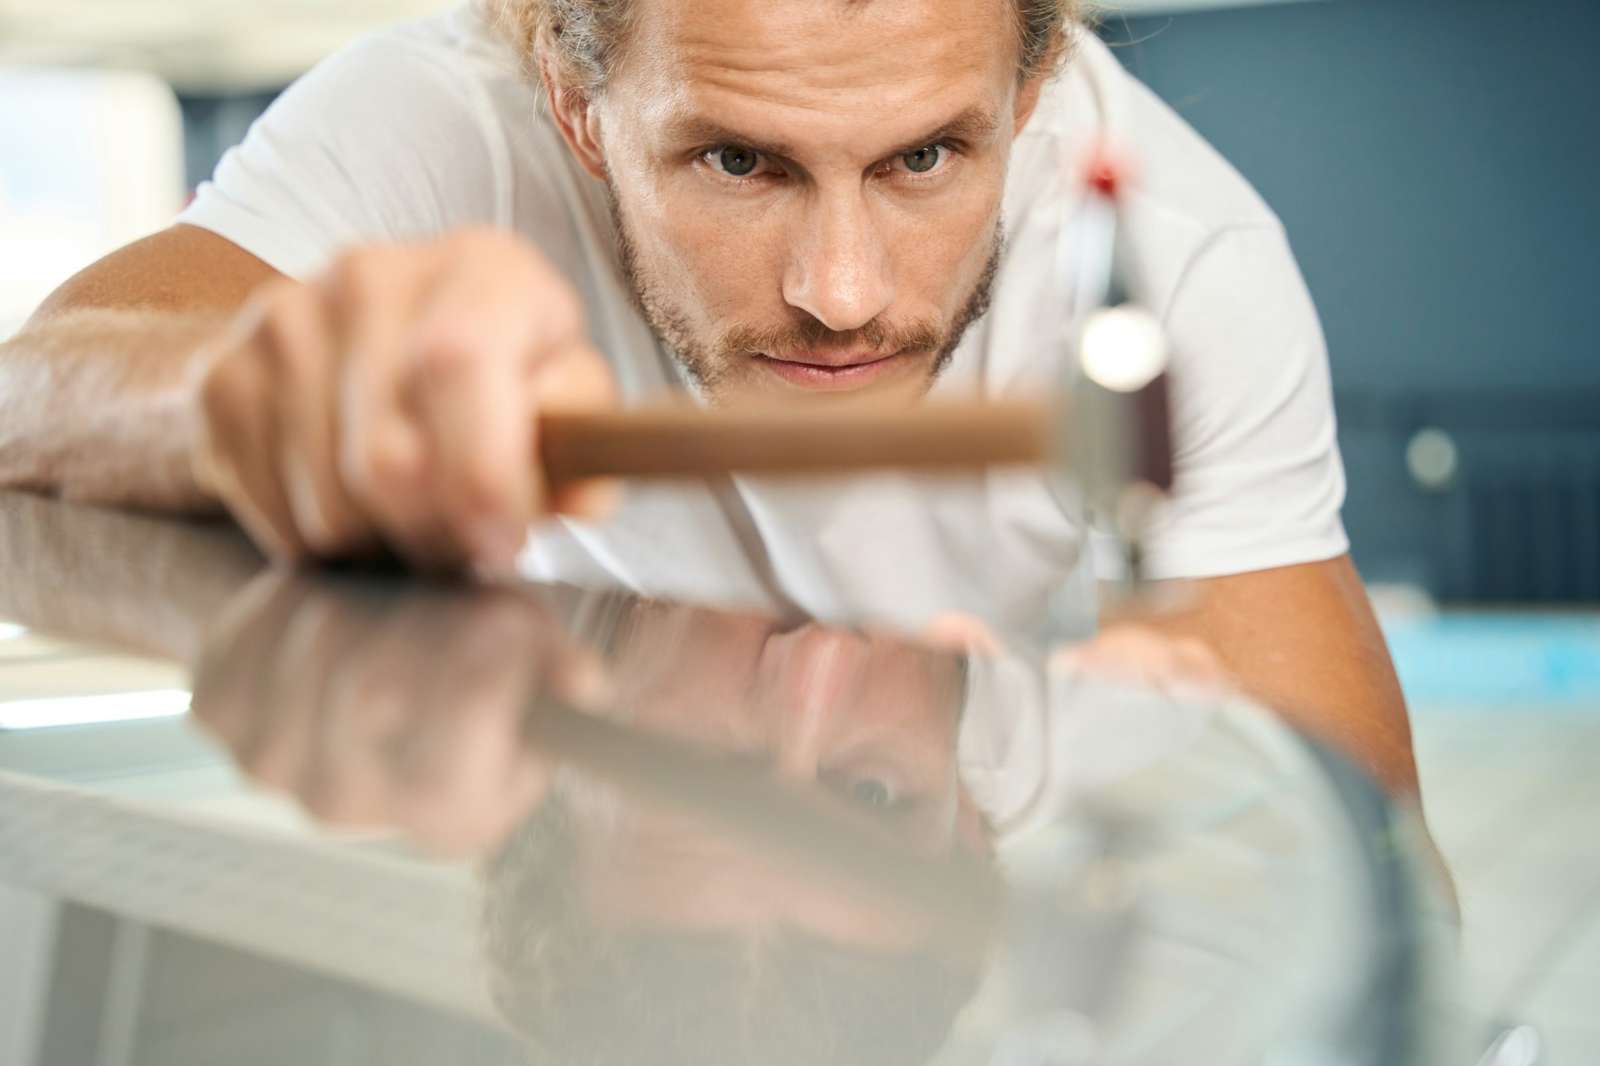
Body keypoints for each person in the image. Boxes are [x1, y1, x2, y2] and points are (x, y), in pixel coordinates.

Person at [0, 0, 1422, 796]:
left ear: (1035, 85)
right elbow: (26, 397)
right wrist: (241, 398)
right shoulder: (441, 121)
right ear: (573, 100)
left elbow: (1375, 887)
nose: (843, 292)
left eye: (925, 157)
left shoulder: (1182, 265)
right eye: (742, 162)